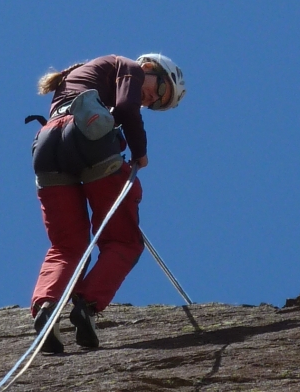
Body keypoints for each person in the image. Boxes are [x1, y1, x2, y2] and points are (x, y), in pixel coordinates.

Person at [28, 53, 186, 353]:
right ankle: (86, 306)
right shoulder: (128, 67)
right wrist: (140, 152)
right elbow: (126, 108)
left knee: (67, 246)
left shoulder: (85, 76)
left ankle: (47, 307)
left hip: (47, 146)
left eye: (156, 104)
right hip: (89, 137)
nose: (150, 99)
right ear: (150, 68)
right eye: (161, 90)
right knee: (124, 241)